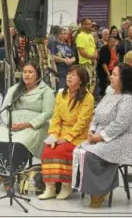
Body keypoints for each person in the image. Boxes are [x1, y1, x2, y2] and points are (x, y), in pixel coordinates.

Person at [78, 63, 132, 208]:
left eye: (115, 75)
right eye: (112, 74)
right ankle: (96, 189)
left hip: (126, 138)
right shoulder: (110, 94)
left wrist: (100, 137)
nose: (111, 77)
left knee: (93, 154)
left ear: (124, 79)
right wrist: (92, 130)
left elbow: (120, 125)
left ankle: (100, 192)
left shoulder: (129, 100)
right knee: (81, 150)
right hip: (107, 134)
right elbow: (96, 116)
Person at [0, 61, 55, 186]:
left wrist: (27, 124)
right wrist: (8, 124)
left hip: (34, 126)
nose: (27, 75)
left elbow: (48, 113)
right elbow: (4, 110)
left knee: (18, 144)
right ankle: (2, 173)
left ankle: (12, 175)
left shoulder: (46, 91)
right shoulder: (14, 89)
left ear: (37, 74)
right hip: (11, 124)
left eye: (30, 72)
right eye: (25, 72)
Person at [39, 65, 94, 200]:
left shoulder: (88, 97)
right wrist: (53, 135)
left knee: (63, 150)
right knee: (47, 150)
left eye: (74, 75)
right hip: (60, 133)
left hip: (79, 135)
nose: (69, 76)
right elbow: (56, 118)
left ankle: (66, 186)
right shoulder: (61, 94)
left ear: (81, 80)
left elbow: (82, 123)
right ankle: (50, 188)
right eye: (69, 73)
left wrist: (67, 138)